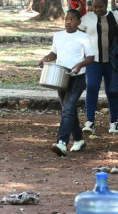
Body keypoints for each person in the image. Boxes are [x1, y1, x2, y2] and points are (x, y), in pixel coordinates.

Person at [80, 0, 118, 134]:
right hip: (93, 62)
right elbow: (77, 35)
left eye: (100, 7)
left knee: (112, 91)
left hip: (112, 62)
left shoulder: (116, 15)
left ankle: (114, 122)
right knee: (92, 87)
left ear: (106, 5)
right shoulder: (86, 19)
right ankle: (90, 121)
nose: (98, 10)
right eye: (95, 7)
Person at [38, 9, 94, 156]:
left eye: (72, 19)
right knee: (69, 109)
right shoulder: (58, 36)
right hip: (61, 77)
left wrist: (79, 66)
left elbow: (90, 57)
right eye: (66, 19)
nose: (68, 22)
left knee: (68, 108)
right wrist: (45, 59)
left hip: (77, 78)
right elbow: (54, 53)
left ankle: (62, 142)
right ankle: (79, 140)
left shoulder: (83, 37)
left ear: (78, 22)